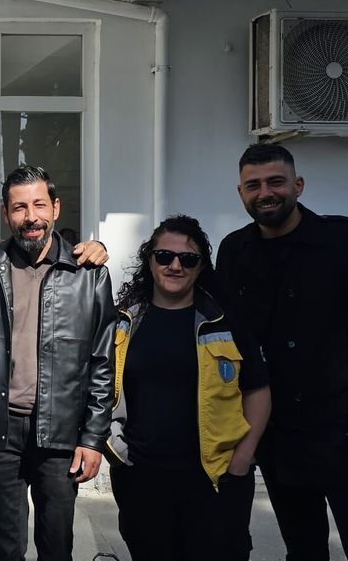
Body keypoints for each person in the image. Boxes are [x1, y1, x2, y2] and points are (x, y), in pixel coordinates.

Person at [217, 143, 348, 560]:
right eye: (253, 185)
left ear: (298, 185)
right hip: (281, 432)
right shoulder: (234, 250)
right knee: (302, 549)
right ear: (241, 193)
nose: (265, 193)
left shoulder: (345, 238)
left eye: (276, 182)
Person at [0, 165, 114, 561]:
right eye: (19, 207)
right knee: (2, 547)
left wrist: (93, 438)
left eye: (39, 205)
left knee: (56, 546)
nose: (31, 217)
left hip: (60, 432)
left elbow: (102, 362)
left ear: (55, 208)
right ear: (6, 213)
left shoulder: (88, 274)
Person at [106, 215, 270, 561]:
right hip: (141, 477)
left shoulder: (226, 321)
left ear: (201, 267)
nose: (175, 266)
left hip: (215, 479)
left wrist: (242, 459)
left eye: (188, 259)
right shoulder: (124, 321)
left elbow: (257, 391)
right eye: (164, 256)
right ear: (150, 261)